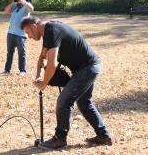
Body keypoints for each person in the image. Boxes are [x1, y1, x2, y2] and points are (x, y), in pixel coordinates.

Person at [20, 17, 112, 149]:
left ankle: (59, 139)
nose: (28, 36)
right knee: (84, 102)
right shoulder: (48, 32)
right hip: (88, 67)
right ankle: (103, 136)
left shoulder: (51, 30)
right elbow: (42, 58)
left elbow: (52, 63)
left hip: (87, 68)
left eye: (28, 32)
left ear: (34, 26)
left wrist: (44, 84)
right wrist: (38, 75)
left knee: (64, 101)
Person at [3, 0, 34, 75]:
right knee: (10, 52)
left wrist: (23, 1)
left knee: (21, 53)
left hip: (21, 34)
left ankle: (22, 71)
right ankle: (7, 70)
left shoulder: (26, 5)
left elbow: (32, 9)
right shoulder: (15, 5)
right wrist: (13, 2)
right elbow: (5, 11)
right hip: (11, 33)